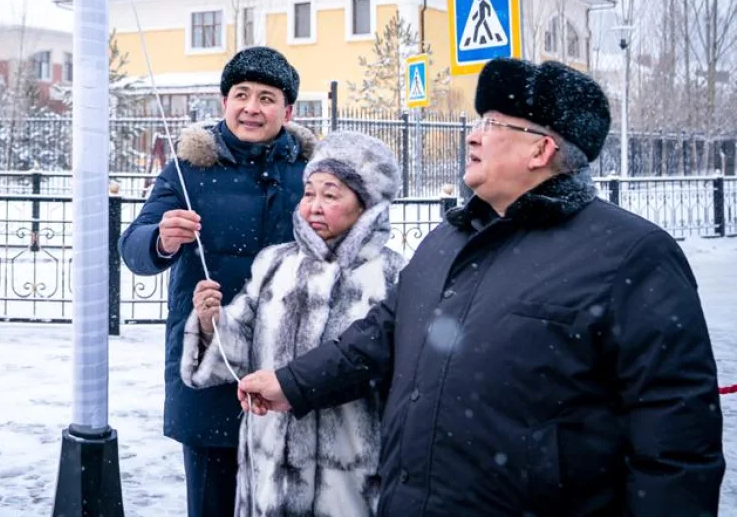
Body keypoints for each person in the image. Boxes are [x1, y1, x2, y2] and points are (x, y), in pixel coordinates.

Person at [238, 58, 726, 516]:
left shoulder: (629, 254)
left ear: (541, 148)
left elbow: (675, 438)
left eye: (492, 124)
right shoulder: (448, 239)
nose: (472, 136)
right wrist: (292, 383)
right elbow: (379, 336)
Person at [119, 46, 316, 517]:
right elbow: (133, 248)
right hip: (211, 363)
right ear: (223, 102)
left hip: (291, 364)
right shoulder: (188, 170)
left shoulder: (313, 174)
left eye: (267, 98)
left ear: (287, 111)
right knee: (213, 501)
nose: (252, 107)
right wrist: (162, 239)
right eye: (241, 94)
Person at [182, 131, 405, 516]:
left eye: (331, 194)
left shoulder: (393, 276)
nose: (314, 206)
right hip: (269, 474)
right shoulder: (274, 264)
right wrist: (209, 323)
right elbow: (237, 351)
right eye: (309, 193)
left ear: (367, 205)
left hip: (350, 478)